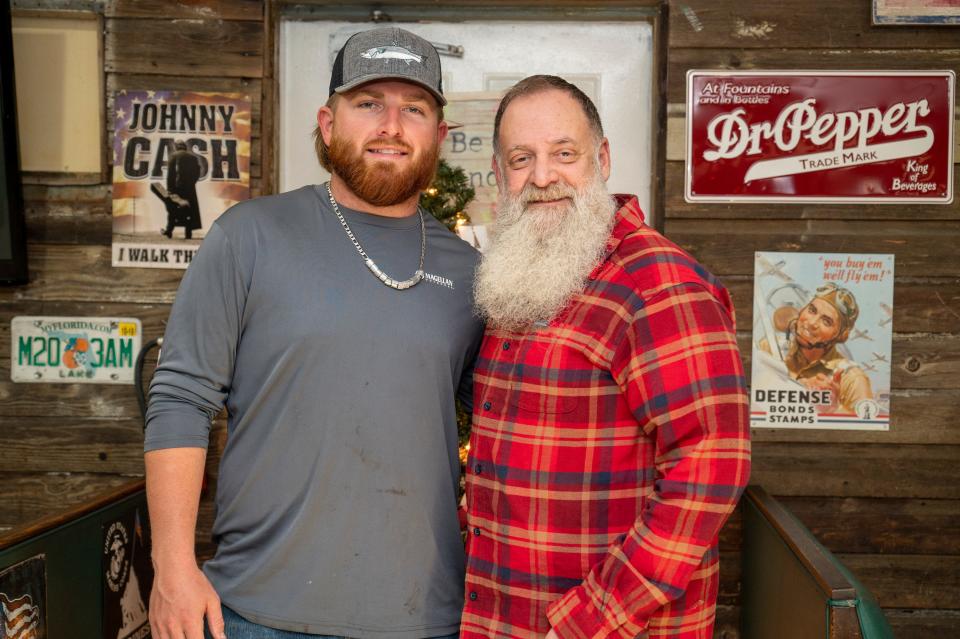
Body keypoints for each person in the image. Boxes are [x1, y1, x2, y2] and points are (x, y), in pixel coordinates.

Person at [145, 27, 483, 639]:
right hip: (255, 613)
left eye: (414, 108)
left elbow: (506, 421)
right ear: (327, 124)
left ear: (440, 135)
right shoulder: (249, 236)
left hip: (425, 617)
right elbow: (180, 401)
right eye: (368, 103)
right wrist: (171, 568)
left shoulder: (470, 274)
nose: (391, 124)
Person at [460, 75, 751, 639]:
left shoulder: (660, 283)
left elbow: (710, 469)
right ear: (499, 174)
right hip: (504, 616)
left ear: (603, 158)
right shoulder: (517, 277)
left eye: (563, 154)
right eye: (522, 158)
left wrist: (592, 618)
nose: (542, 177)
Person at [764, 283, 872, 414]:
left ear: (841, 336)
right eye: (811, 310)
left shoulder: (853, 380)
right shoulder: (770, 347)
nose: (811, 323)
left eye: (826, 321)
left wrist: (833, 409)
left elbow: (867, 423)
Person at [158, 140, 203, 239]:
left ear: (177, 147)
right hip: (190, 189)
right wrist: (192, 183)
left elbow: (170, 175)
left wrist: (170, 189)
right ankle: (188, 233)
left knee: (172, 209)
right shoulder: (193, 157)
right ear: (184, 147)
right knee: (189, 210)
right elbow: (197, 172)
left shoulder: (173, 156)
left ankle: (169, 231)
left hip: (176, 188)